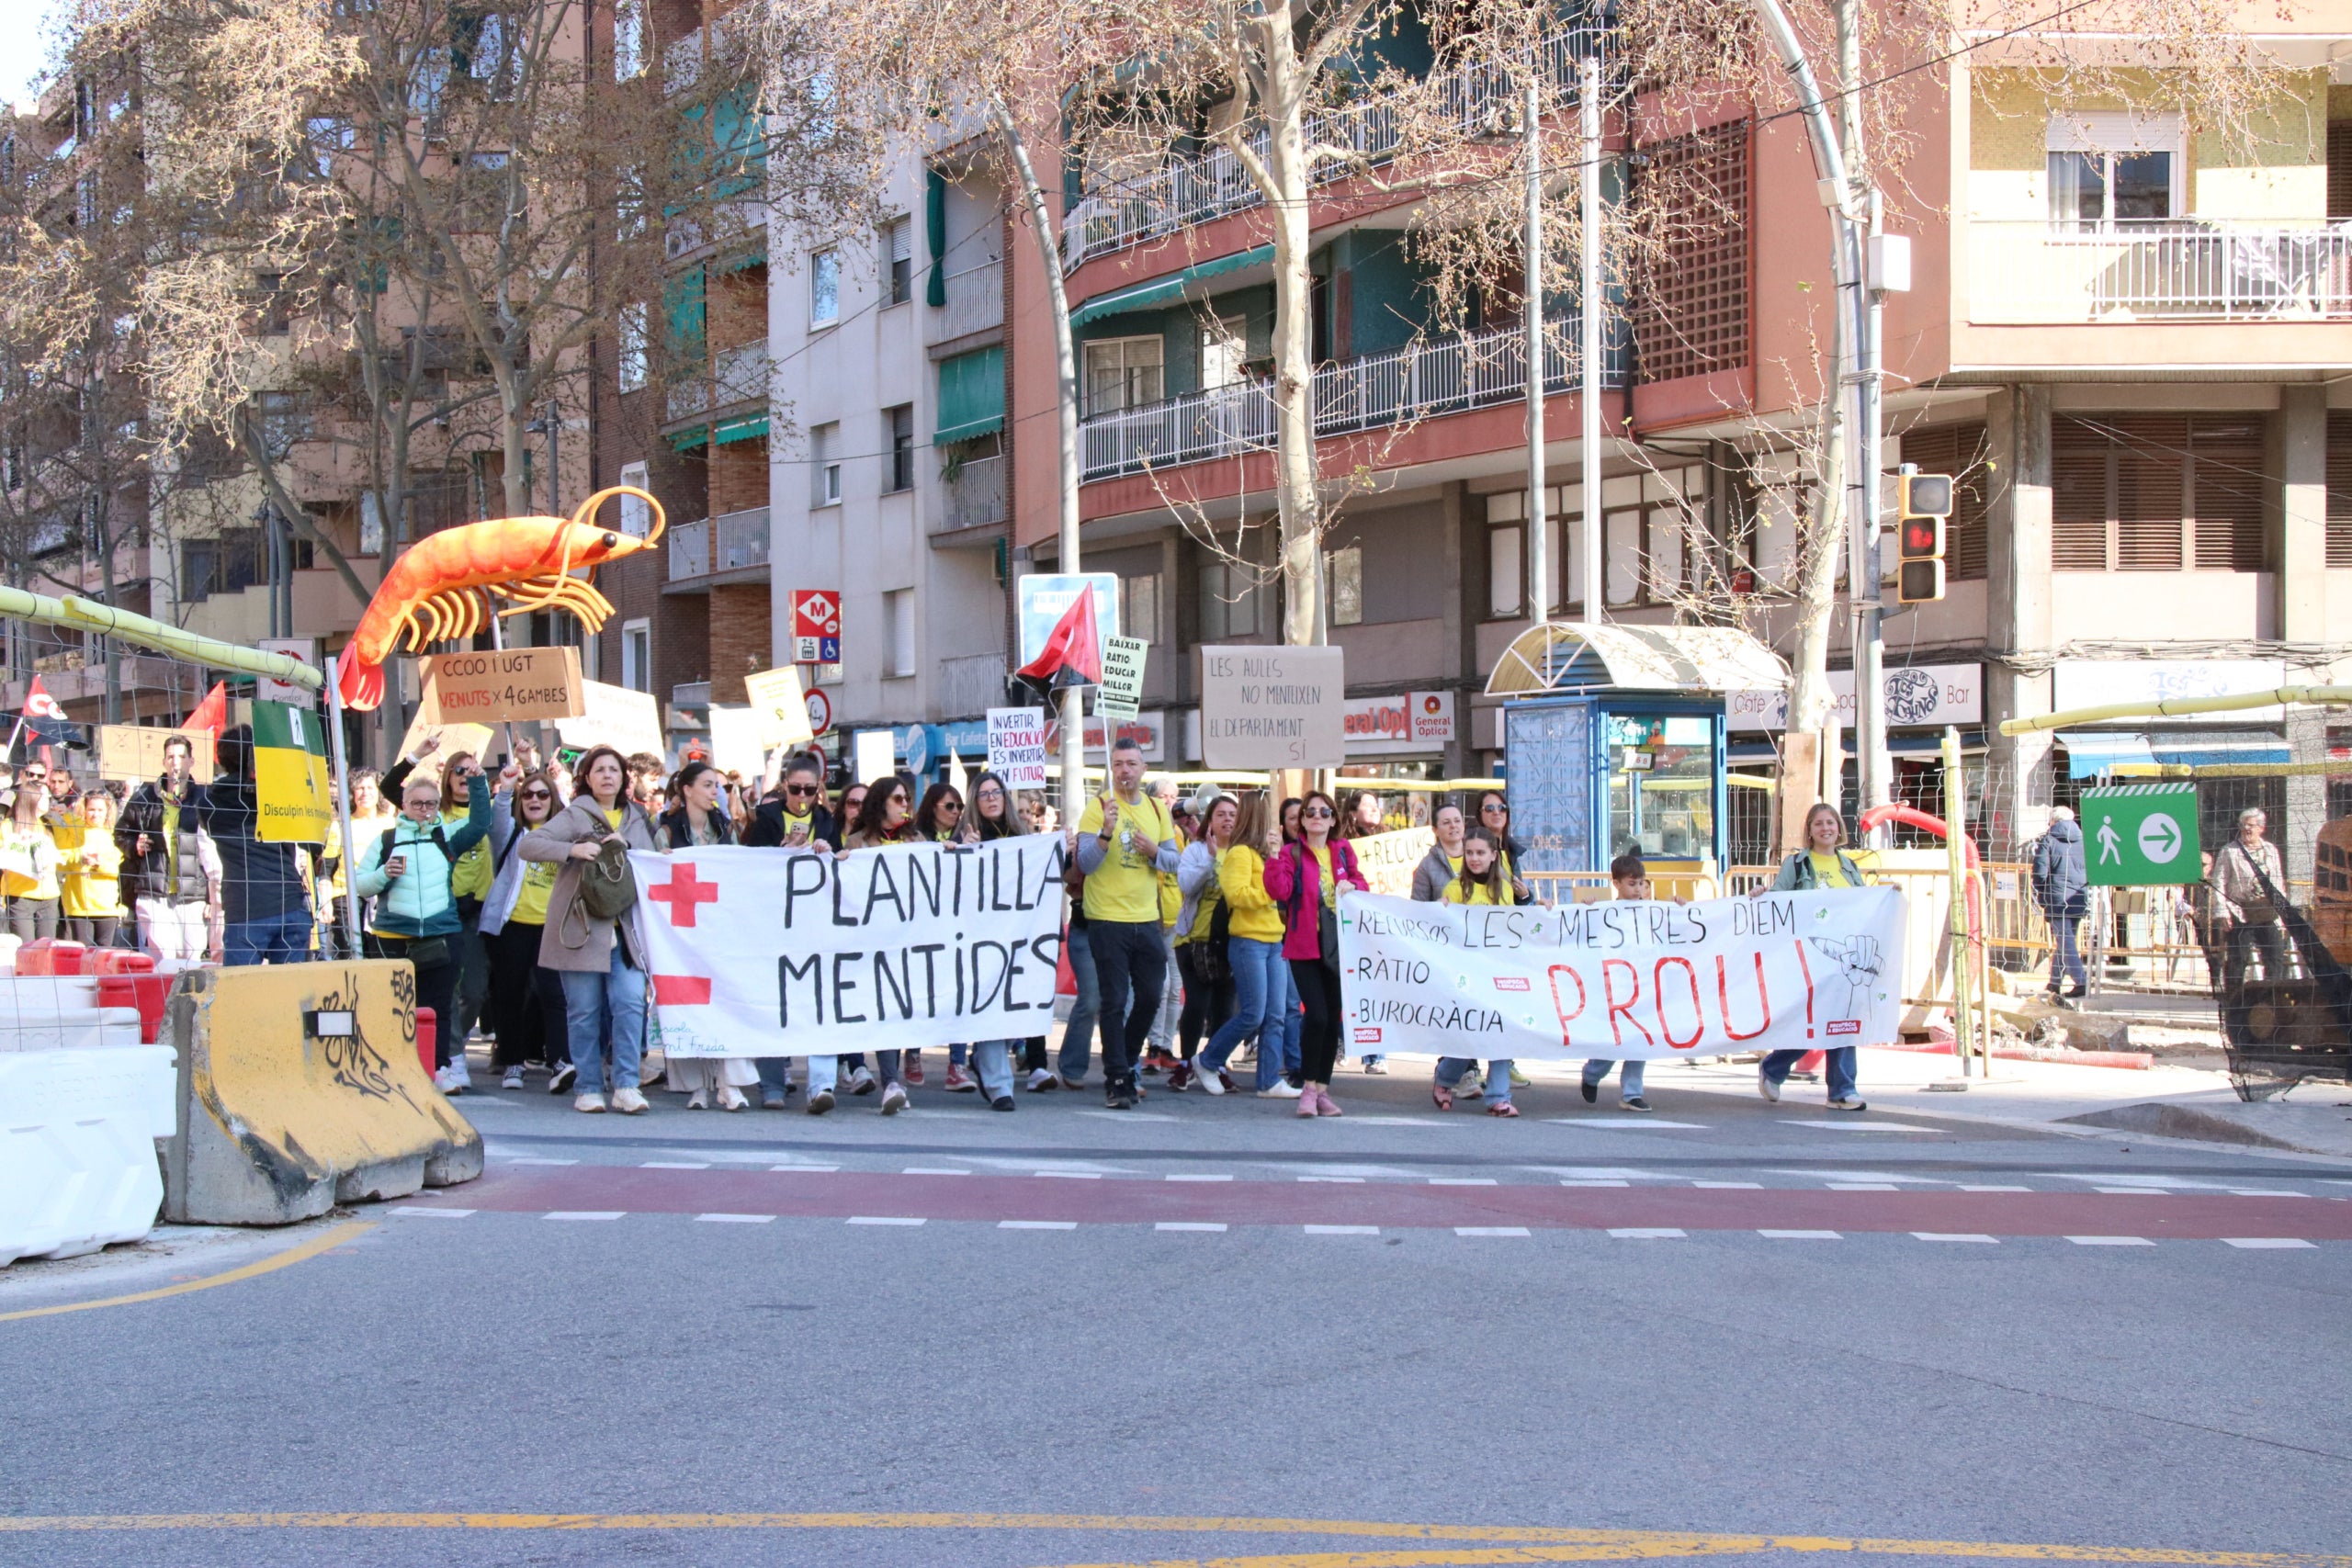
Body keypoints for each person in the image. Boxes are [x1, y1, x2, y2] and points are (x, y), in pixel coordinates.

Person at [519, 743, 662, 1115]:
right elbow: (531, 845)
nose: (607, 776)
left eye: (614, 770)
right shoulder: (576, 813)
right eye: (600, 770)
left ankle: (627, 1084)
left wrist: (627, 845)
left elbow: (652, 863)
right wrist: (572, 851)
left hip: (626, 931)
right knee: (583, 1010)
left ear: (624, 778)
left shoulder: (636, 817)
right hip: (581, 928)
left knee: (630, 1004)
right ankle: (588, 1087)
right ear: (587, 778)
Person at [355, 761, 494, 1092]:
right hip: (392, 937)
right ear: (403, 806)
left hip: (441, 935)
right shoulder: (386, 840)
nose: (424, 810)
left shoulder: (446, 835)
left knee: (438, 1006)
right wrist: (383, 875)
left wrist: (478, 782)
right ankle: (393, 1067)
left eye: (431, 804)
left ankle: (438, 1068)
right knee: (394, 1008)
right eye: (417, 803)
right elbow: (360, 885)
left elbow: (480, 823)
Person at [1075, 737, 1182, 1110]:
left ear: (1143, 769)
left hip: (1147, 919)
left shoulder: (1156, 809)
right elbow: (1084, 864)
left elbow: (1174, 862)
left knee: (1152, 997)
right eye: (1118, 764)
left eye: (1131, 764)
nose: (1125, 771)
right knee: (1115, 1000)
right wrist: (1105, 834)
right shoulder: (1098, 807)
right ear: (1112, 769)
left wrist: (1154, 852)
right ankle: (1117, 1077)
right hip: (1107, 919)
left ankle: (1128, 1061)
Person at [650, 761, 757, 1110]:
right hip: (681, 935)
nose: (716, 792)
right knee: (688, 1004)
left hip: (720, 932)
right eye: (709, 785)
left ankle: (729, 1083)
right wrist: (660, 862)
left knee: (727, 1002)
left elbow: (741, 873)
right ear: (687, 789)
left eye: (718, 786)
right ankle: (696, 1085)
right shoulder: (666, 832)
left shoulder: (726, 830)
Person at [1757, 803, 1869, 1111]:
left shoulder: (1849, 866)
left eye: (1830, 822)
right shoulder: (1798, 864)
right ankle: (1775, 1067)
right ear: (1810, 830)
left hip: (1844, 958)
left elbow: (1864, 902)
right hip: (1809, 956)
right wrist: (1760, 895)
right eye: (1818, 824)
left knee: (1843, 1022)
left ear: (1839, 827)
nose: (1825, 829)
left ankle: (1842, 1090)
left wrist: (1889, 894)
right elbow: (1779, 898)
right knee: (1812, 1022)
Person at [816, 778, 918, 1115]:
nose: (905, 804)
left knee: (891, 1013)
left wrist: (946, 854)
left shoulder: (918, 841)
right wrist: (841, 863)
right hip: (866, 945)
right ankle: (842, 1073)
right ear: (881, 803)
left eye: (907, 798)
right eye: (898, 798)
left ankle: (891, 1082)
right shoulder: (857, 843)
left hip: (904, 943)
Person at [1263, 791, 1366, 1118]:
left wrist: (1354, 885)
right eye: (1310, 812)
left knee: (1332, 1018)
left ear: (1334, 819)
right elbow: (1277, 890)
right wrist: (1273, 855)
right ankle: (1308, 1088)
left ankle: (1322, 1090)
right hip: (1304, 946)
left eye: (1324, 812)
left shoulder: (1343, 851)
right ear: (1303, 820)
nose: (1317, 817)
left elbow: (1362, 884)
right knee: (1317, 1016)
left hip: (1338, 948)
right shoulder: (1292, 853)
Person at [1193, 792, 1291, 1098]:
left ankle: (1268, 1081)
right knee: (1253, 1013)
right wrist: (1269, 893)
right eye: (1269, 817)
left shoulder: (1267, 854)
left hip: (1274, 940)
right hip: (1248, 941)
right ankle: (1208, 1060)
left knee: (1276, 1015)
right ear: (1259, 818)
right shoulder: (1239, 854)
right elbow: (1236, 895)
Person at [198, 725, 322, 966]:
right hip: (290, 903)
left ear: (222, 759)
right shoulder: (282, 796)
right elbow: (314, 843)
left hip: (245, 910)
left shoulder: (209, 804)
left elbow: (211, 826)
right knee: (290, 996)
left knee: (243, 994)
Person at [481, 767, 571, 1092]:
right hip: (512, 928)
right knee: (510, 996)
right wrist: (506, 788)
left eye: (543, 794)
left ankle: (560, 1060)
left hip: (551, 928)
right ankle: (513, 1063)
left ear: (553, 800)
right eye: (528, 794)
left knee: (554, 995)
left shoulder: (564, 836)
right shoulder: (511, 834)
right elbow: (499, 817)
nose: (535, 799)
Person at [1579, 851, 1674, 1113]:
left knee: (1641, 1038)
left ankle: (1633, 1092)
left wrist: (1679, 907)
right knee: (1615, 1040)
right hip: (1617, 986)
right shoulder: (1606, 912)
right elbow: (1587, 934)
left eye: (1641, 883)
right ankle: (1592, 1073)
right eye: (1631, 884)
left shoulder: (1652, 911)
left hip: (1644, 983)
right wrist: (1587, 909)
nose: (1638, 889)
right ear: (1617, 884)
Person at [116, 736, 217, 963]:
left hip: (194, 893)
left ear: (192, 761)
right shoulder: (144, 797)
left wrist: (213, 897)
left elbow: (216, 848)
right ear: (163, 761)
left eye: (182, 756)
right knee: (164, 958)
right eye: (171, 757)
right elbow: (121, 833)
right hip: (154, 891)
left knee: (192, 958)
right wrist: (135, 846)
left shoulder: (205, 798)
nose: (176, 762)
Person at [1166, 789, 1236, 1092]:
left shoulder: (1242, 852)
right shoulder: (1195, 851)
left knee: (1225, 1008)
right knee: (1197, 1002)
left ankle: (1213, 1063)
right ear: (1209, 820)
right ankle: (1185, 1063)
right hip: (1194, 940)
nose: (1227, 820)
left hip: (1231, 942)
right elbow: (1186, 886)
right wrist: (1209, 859)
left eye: (1233, 815)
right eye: (1220, 814)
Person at [2211, 806, 2290, 989]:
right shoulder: (2230, 851)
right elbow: (2218, 882)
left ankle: (2271, 995)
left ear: (2261, 828)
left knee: (2275, 955)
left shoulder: (2271, 850)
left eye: (2251, 825)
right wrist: (2222, 913)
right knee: (2238, 958)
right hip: (2241, 911)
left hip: (2267, 911)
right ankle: (2235, 999)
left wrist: (2283, 913)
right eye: (2244, 825)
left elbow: (2278, 882)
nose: (2247, 829)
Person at [2031, 805, 2090, 1007]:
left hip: (2056, 897)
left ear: (2053, 821)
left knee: (2065, 942)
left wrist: (2040, 890)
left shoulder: (2048, 840)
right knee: (2066, 940)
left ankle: (2081, 981)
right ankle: (2055, 982)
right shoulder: (2084, 840)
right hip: (2078, 895)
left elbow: (2040, 871)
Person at [54, 785, 124, 948]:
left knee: (104, 954)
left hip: (107, 906)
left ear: (108, 811)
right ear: (84, 810)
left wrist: (99, 864)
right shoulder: (75, 832)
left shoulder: (114, 834)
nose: (96, 814)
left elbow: (117, 868)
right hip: (79, 906)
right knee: (82, 954)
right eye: (91, 809)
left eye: (100, 810)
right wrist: (80, 859)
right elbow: (61, 861)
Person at [0, 763, 62, 941]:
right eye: (44, 797)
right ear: (31, 799)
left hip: (49, 896)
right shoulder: (9, 826)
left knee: (45, 950)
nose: (48, 800)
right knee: (25, 948)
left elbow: (67, 849)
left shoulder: (50, 823)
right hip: (20, 896)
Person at [1476, 790, 1534, 902]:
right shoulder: (1471, 848)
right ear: (1479, 814)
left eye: (1502, 808)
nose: (1497, 812)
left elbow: (1515, 901)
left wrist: (1526, 897)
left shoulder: (1511, 851)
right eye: (1489, 808)